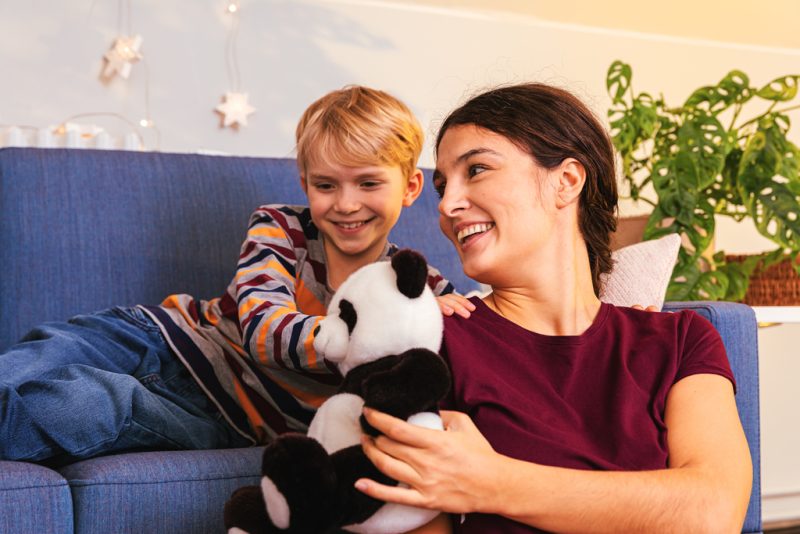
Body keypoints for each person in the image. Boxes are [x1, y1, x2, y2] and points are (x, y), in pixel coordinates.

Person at [0, 85, 474, 466]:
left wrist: (443, 321)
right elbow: (264, 332)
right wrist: (368, 337)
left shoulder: (417, 289)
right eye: (326, 185)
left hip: (225, 417)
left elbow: (466, 353)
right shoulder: (280, 227)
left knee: (87, 406)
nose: (346, 204)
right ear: (304, 184)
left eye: (369, 183)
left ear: (411, 186)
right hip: (171, 340)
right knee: (53, 352)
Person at [355, 83, 753, 533]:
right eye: (443, 187)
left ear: (566, 181)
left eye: (478, 169)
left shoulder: (680, 340)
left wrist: (494, 483)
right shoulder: (433, 344)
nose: (446, 205)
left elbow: (713, 512)